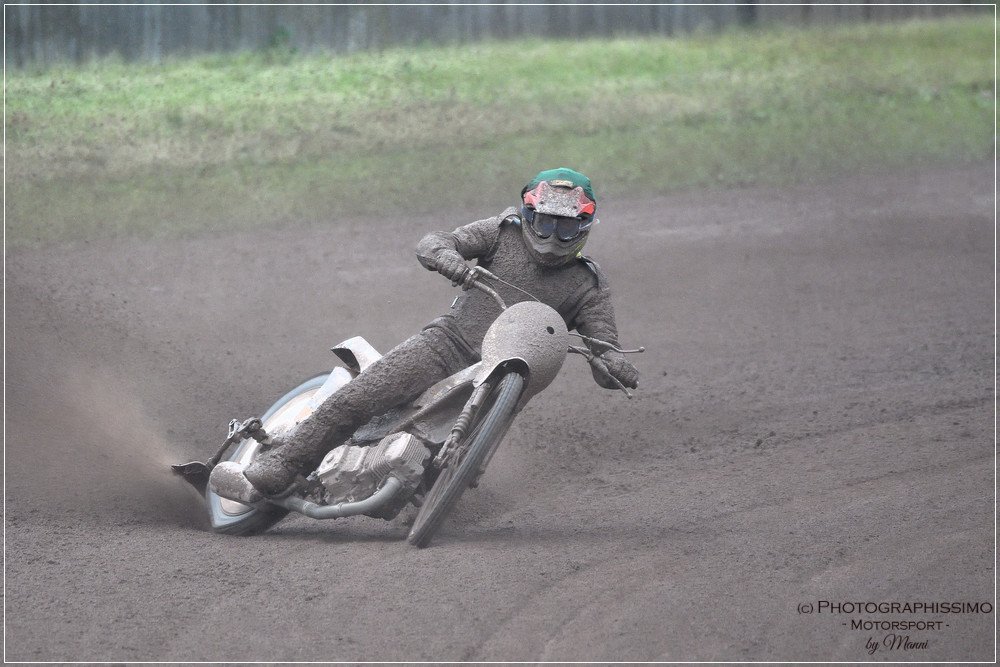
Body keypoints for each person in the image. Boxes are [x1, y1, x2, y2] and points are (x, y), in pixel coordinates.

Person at [212, 167, 639, 503]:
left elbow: (604, 347)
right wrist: (448, 259)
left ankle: (428, 493)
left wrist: (615, 366)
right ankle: (285, 461)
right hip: (446, 346)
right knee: (361, 397)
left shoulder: (588, 284)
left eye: (565, 228)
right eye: (544, 224)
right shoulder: (499, 231)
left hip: (503, 381)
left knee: (466, 473)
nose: (552, 237)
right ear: (528, 215)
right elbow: (434, 242)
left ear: (584, 227)